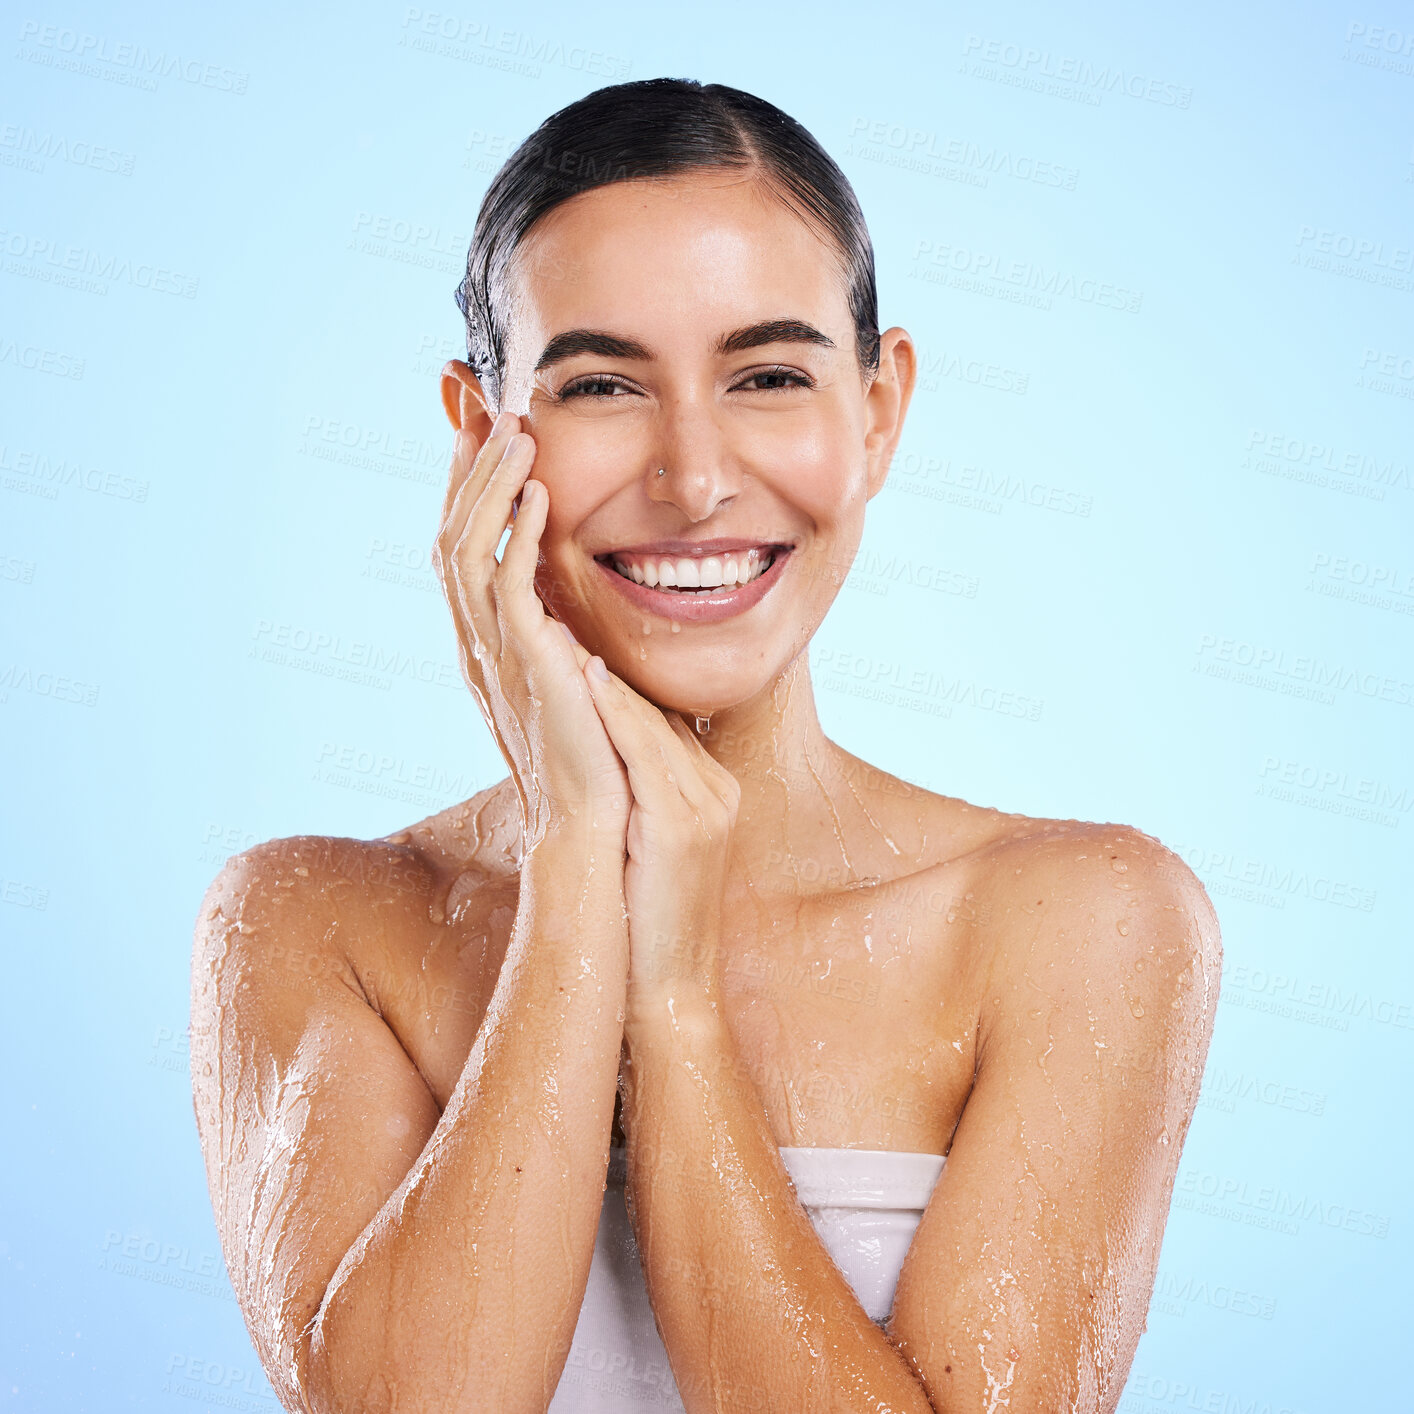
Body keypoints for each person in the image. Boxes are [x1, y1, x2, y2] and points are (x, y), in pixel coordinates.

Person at [190, 78, 1222, 1414]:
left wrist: (672, 1005)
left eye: (767, 375)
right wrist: (579, 864)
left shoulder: (1080, 920)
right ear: (478, 436)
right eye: (603, 382)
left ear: (877, 410)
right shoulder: (311, 922)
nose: (691, 477)